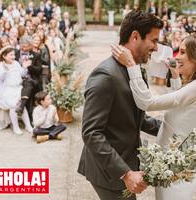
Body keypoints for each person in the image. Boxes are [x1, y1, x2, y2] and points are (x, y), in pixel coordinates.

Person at [111, 33, 196, 200]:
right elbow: (180, 106)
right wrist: (175, 75)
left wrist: (131, 65)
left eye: (184, 52)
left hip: (176, 171)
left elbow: (147, 102)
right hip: (170, 167)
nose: (178, 56)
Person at [78, 11, 162, 200]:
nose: (156, 48)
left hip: (126, 162)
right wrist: (125, 173)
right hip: (109, 171)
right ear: (135, 36)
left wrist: (170, 129)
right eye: (154, 41)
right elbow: (91, 133)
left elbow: (136, 118)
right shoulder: (105, 76)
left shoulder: (135, 70)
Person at [0, 46, 33, 134]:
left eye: (13, 55)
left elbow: (22, 74)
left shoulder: (15, 63)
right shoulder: (0, 65)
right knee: (13, 105)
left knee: (21, 104)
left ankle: (28, 125)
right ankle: (16, 127)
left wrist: (24, 67)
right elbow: (0, 77)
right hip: (8, 90)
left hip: (18, 88)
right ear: (4, 56)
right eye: (11, 55)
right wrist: (6, 70)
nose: (13, 57)